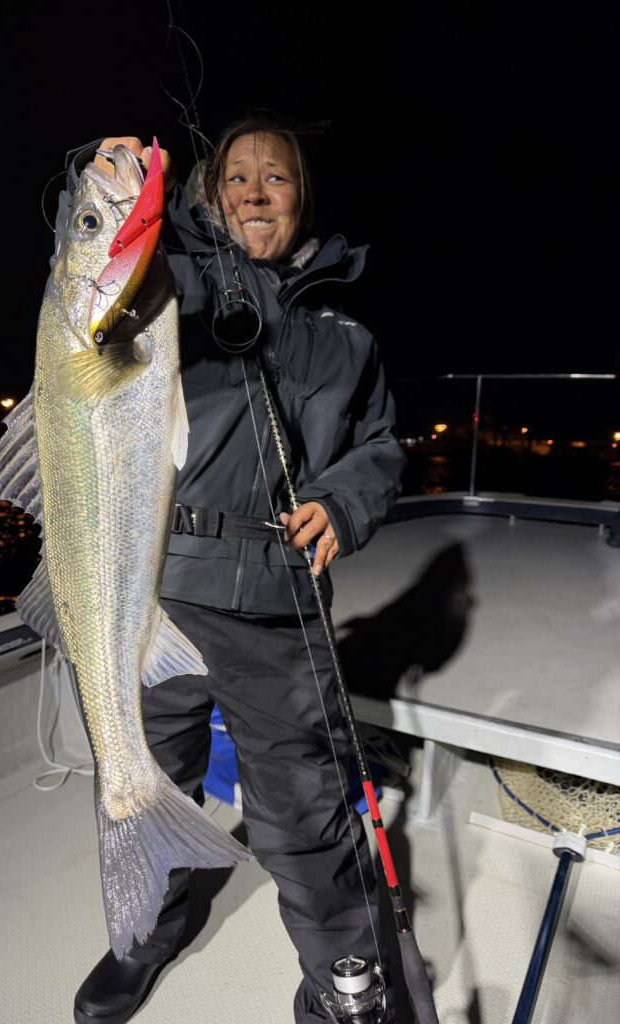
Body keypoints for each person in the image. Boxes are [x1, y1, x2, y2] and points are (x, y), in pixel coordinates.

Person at [72, 117, 408, 1024]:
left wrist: (343, 500)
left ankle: (341, 976)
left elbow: (381, 446)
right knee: (144, 780)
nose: (257, 191)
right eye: (238, 178)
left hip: (276, 595)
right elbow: (95, 284)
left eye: (278, 178)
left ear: (304, 199)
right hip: (162, 585)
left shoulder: (348, 335)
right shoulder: (173, 284)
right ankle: (147, 933)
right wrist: (106, 184)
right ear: (211, 197)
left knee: (302, 805)